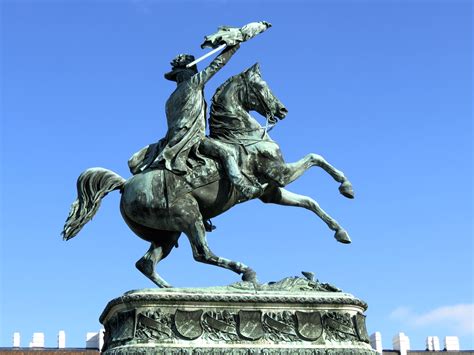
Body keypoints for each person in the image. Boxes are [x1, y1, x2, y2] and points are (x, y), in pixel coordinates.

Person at [143, 44, 262, 200]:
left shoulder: (170, 99)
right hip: (193, 139)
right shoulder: (193, 84)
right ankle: (242, 186)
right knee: (226, 153)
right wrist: (234, 45)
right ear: (188, 72)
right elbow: (216, 65)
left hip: (172, 141)